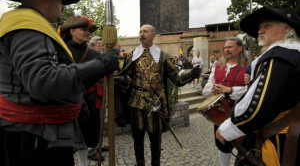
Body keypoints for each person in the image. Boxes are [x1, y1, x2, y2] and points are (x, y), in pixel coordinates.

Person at [0, 0, 119, 166]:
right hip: (32, 135)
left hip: (35, 131)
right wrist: (101, 64)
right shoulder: (27, 27)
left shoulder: (30, 24)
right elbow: (43, 81)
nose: (62, 7)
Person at [216, 7, 300, 166]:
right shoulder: (294, 55)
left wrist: (228, 128)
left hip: (277, 139)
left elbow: (258, 105)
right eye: (260, 27)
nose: (260, 30)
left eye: (267, 26)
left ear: (287, 28)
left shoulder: (279, 57)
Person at [118, 24, 200, 166]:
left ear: (153, 35)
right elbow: (126, 78)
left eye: (145, 31)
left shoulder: (163, 56)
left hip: (155, 105)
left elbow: (177, 77)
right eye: (140, 31)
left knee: (155, 139)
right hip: (136, 102)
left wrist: (191, 74)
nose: (141, 34)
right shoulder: (132, 55)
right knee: (137, 139)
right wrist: (119, 79)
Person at [59, 15, 103, 166]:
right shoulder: (61, 52)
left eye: (89, 30)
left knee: (85, 139)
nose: (87, 33)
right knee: (66, 141)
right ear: (72, 31)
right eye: (84, 29)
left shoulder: (95, 55)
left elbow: (99, 79)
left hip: (89, 102)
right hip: (66, 101)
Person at [203, 37, 248, 166]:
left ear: (240, 48)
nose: (226, 50)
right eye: (225, 47)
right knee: (222, 144)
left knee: (244, 145)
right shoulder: (218, 66)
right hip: (220, 114)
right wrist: (213, 89)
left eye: (230, 47)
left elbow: (252, 90)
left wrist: (230, 90)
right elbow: (206, 89)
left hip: (240, 113)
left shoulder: (248, 66)